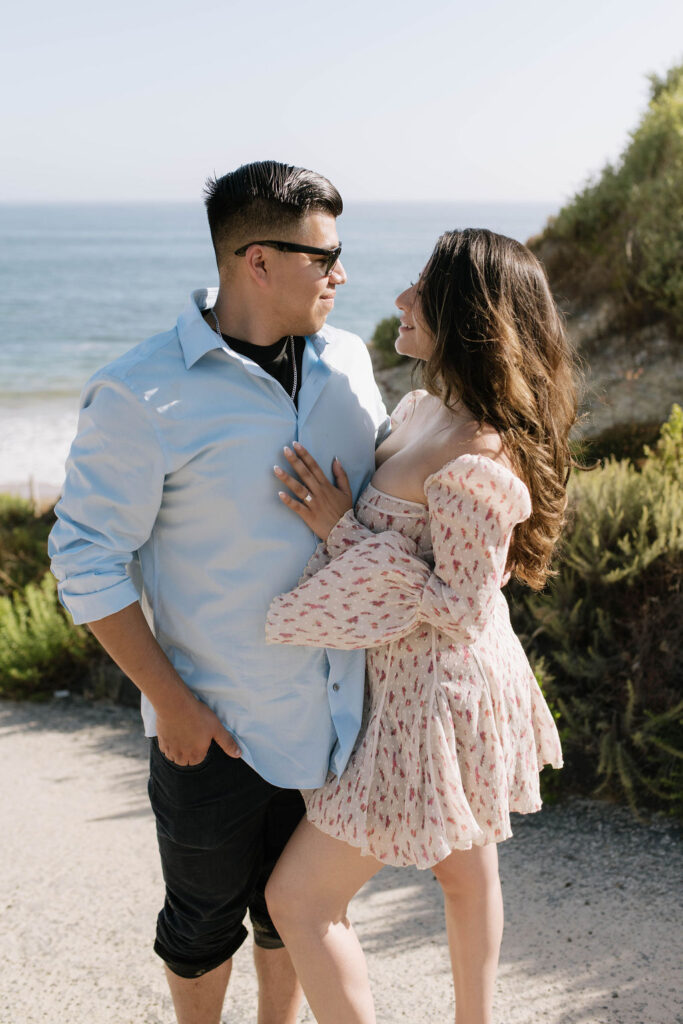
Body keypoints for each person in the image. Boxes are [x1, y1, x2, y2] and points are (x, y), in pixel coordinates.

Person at [48, 160, 389, 1024]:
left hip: (341, 719)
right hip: (217, 726)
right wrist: (173, 704)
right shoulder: (141, 391)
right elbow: (85, 559)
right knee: (201, 925)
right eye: (326, 257)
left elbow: (387, 505)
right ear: (257, 262)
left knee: (297, 915)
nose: (342, 275)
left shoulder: (348, 360)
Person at [264, 228, 578, 1024]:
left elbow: (458, 609)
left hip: (434, 700)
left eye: (420, 291)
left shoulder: (477, 455)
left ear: (466, 317)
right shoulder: (423, 409)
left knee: (298, 900)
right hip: (420, 688)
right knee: (465, 876)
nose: (399, 300)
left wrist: (341, 530)